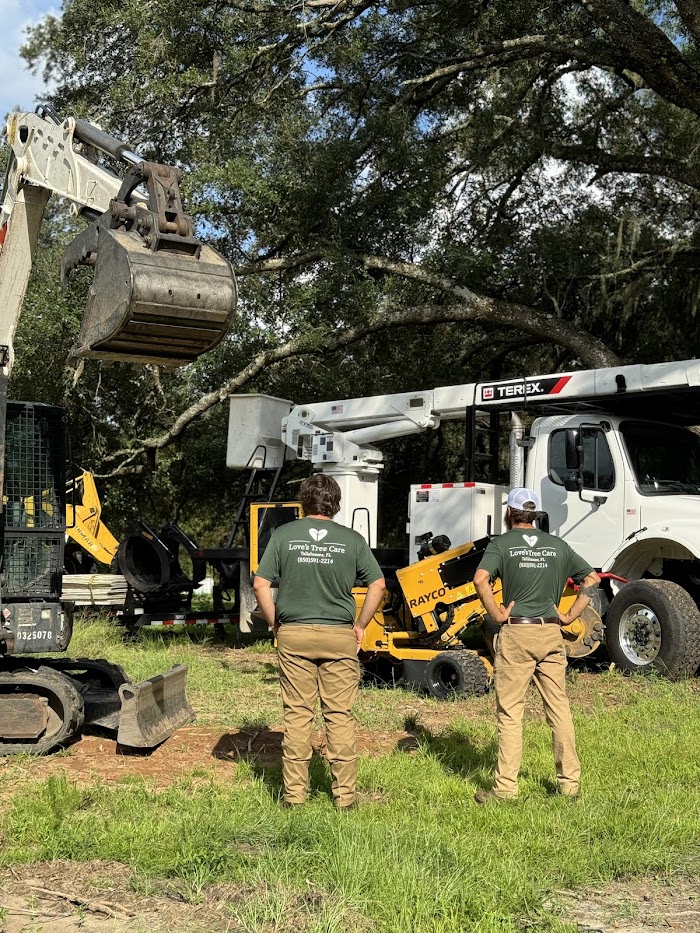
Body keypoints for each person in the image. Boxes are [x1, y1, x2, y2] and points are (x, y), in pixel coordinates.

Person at [253, 474, 386, 809]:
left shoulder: (284, 535)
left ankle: (294, 797)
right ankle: (345, 798)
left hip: (294, 634)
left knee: (298, 715)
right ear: (335, 504)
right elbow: (379, 585)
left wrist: (274, 624)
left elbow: (260, 584)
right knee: (339, 714)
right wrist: (360, 625)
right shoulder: (352, 539)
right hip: (339, 635)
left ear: (303, 501)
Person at [473, 487, 601, 802]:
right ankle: (570, 786)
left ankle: (505, 790)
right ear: (536, 514)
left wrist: (496, 614)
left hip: (517, 633)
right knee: (558, 709)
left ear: (509, 513)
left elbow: (479, 579)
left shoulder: (501, 545)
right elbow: (593, 579)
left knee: (511, 713)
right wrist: (570, 614)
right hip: (550, 634)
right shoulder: (558, 545)